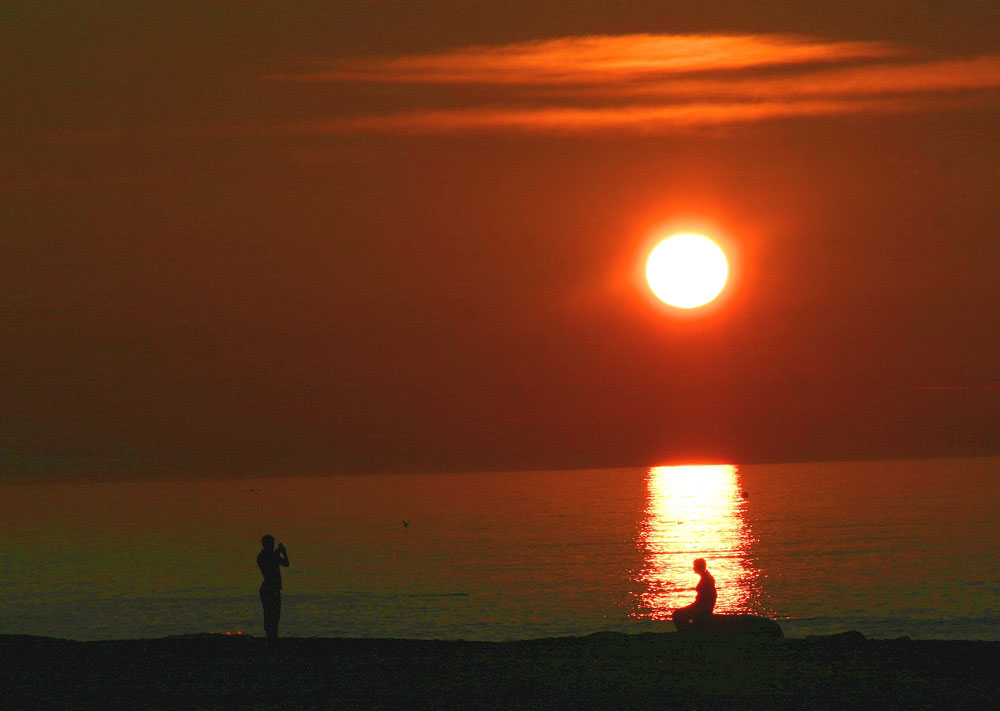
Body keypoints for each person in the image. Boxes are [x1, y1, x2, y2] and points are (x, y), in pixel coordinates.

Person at [257, 534, 290, 642]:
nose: (272, 546)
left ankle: (272, 636)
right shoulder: (263, 556)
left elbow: (286, 563)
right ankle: (271, 637)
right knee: (270, 613)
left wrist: (282, 552)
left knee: (275, 614)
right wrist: (280, 552)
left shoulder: (270, 556)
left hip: (273, 587)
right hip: (269, 588)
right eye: (270, 543)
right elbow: (271, 565)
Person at [672, 558, 716, 630]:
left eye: (695, 566)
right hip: (700, 606)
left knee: (677, 614)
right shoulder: (706, 577)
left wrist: (705, 609)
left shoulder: (706, 579)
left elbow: (707, 598)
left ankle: (686, 633)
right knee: (678, 613)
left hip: (702, 608)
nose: (693, 568)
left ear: (700, 567)